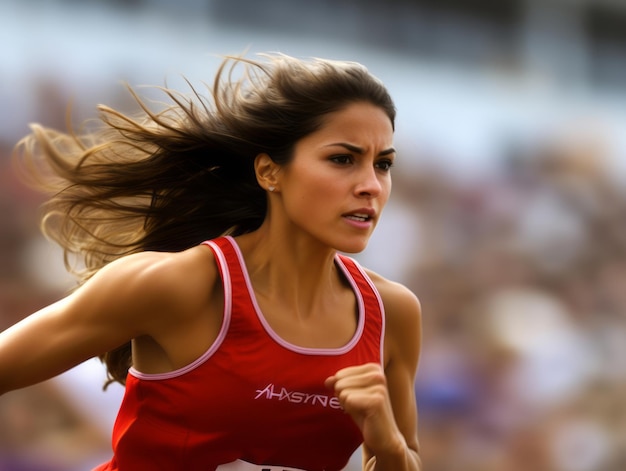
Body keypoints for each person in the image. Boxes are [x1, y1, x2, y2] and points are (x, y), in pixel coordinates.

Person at [0, 53, 422, 471]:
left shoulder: (393, 313)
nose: (371, 185)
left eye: (383, 164)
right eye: (342, 159)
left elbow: (405, 461)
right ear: (269, 172)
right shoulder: (177, 286)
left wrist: (389, 448)